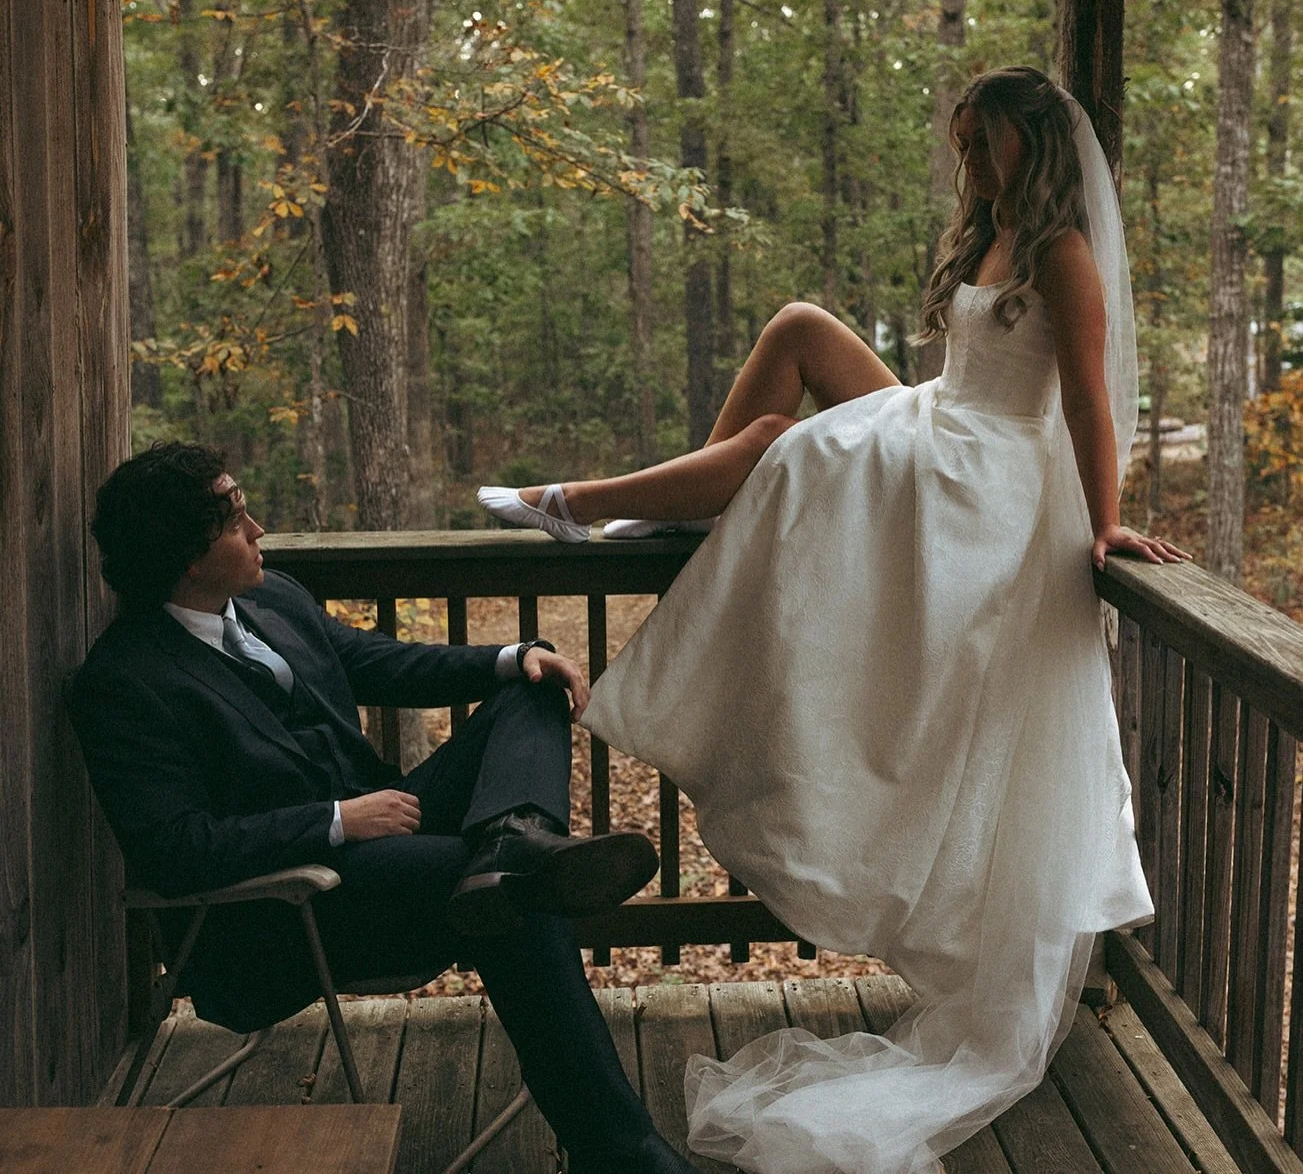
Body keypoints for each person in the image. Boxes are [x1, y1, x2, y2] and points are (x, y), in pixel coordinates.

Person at [479, 67, 1183, 1173]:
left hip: (977, 477)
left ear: (1031, 145)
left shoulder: (1060, 251)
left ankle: (585, 501)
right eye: (961, 146)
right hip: (938, 421)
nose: (970, 166)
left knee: (779, 447)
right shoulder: (994, 234)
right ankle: (685, 500)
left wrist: (1104, 529)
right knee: (800, 329)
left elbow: (1087, 398)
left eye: (984, 145)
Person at [68, 441, 694, 1174]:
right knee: (505, 893)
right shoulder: (124, 681)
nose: (259, 528)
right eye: (237, 519)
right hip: (285, 910)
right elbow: (177, 848)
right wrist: (337, 819)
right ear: (186, 556)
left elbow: (375, 660)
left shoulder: (272, 599)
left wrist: (509, 655)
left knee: (530, 692)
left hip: (384, 840)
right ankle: (622, 1150)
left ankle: (516, 842)